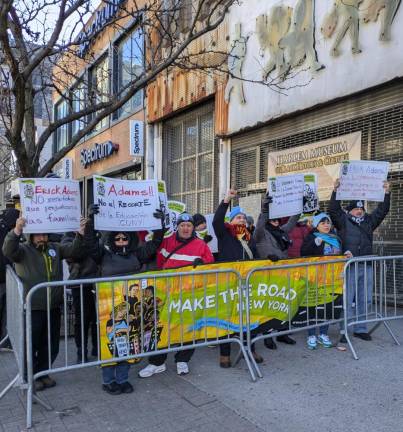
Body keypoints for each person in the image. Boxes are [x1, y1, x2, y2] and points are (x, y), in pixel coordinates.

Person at [86, 205, 164, 395]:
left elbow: (154, 245)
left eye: (124, 238)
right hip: (109, 311)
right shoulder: (103, 255)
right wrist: (91, 220)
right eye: (117, 238)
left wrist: (159, 224)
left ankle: (122, 378)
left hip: (132, 311)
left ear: (130, 240)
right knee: (110, 344)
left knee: (129, 345)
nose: (121, 241)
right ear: (113, 240)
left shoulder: (136, 254)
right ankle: (108, 380)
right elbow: (89, 244)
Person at [2, 216, 86, 391]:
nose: (42, 238)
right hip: (32, 308)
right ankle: (29, 375)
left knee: (51, 345)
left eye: (44, 235)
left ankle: (43, 373)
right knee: (30, 344)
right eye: (38, 235)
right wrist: (16, 230)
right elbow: (8, 250)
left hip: (53, 307)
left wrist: (80, 233)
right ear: (30, 236)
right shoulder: (23, 250)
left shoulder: (55, 248)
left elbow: (74, 251)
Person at [139, 213, 214, 378]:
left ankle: (183, 359)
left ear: (193, 228)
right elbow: (159, 262)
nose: (185, 228)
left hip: (190, 294)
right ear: (177, 227)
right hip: (168, 292)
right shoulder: (168, 241)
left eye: (189, 225)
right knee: (163, 326)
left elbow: (210, 265)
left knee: (189, 326)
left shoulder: (201, 245)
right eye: (182, 225)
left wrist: (202, 265)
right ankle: (157, 362)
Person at [329, 178, 390, 342]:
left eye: (361, 209)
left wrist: (386, 193)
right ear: (349, 211)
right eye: (356, 209)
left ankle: (361, 328)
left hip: (366, 265)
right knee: (348, 300)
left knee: (365, 299)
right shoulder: (343, 221)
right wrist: (336, 191)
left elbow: (382, 211)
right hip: (349, 266)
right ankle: (344, 330)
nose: (359, 211)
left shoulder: (369, 222)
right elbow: (333, 210)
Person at [212, 189, 262, 368]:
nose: (241, 220)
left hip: (247, 281)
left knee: (250, 315)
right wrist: (226, 200)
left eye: (243, 218)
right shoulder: (224, 233)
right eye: (237, 218)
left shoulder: (248, 237)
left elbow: (255, 255)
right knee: (227, 316)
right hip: (228, 281)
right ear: (231, 221)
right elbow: (217, 220)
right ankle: (224, 353)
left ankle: (250, 348)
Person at [254, 193, 300, 349]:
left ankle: (282, 333)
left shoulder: (281, 231)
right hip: (268, 274)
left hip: (283, 272)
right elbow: (260, 223)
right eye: (272, 219)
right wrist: (265, 208)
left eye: (276, 220)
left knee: (284, 304)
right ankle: (267, 336)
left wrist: (299, 205)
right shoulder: (260, 233)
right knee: (270, 306)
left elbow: (293, 222)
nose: (275, 222)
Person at [301, 212, 349, 349]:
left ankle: (323, 333)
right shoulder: (311, 237)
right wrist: (314, 244)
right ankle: (311, 334)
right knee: (313, 306)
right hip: (315, 278)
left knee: (327, 306)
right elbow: (303, 252)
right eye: (323, 223)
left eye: (328, 222)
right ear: (317, 225)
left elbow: (340, 253)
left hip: (332, 279)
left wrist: (346, 254)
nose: (326, 225)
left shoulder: (335, 238)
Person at [61, 231, 100, 363]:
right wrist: (82, 235)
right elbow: (71, 255)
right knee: (82, 319)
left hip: (99, 280)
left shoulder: (98, 232)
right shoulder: (69, 235)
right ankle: (81, 351)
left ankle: (97, 347)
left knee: (99, 318)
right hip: (80, 281)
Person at [0, 208, 19, 349]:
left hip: (7, 277)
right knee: (7, 311)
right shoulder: (6, 231)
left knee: (8, 311)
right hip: (5, 277)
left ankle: (6, 340)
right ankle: (5, 341)